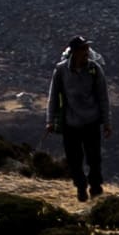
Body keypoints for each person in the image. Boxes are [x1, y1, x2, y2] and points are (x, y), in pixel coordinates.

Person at [47, 36, 110, 205]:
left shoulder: (94, 69)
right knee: (74, 159)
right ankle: (81, 186)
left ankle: (96, 187)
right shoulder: (61, 70)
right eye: (83, 49)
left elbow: (103, 97)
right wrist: (50, 120)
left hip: (92, 121)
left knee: (94, 158)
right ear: (74, 52)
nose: (86, 52)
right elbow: (53, 96)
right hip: (70, 123)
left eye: (87, 49)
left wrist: (107, 123)